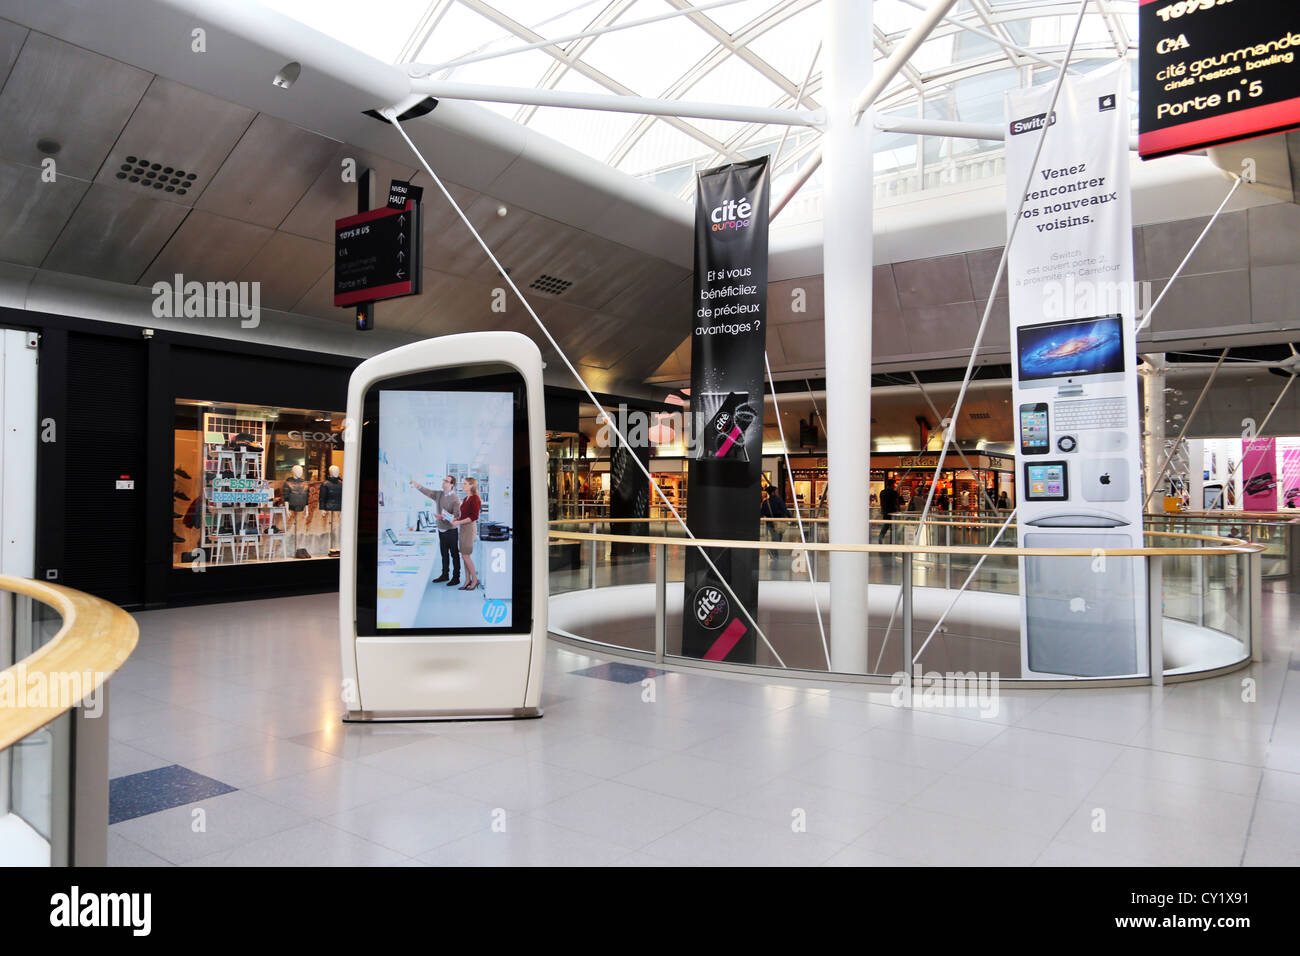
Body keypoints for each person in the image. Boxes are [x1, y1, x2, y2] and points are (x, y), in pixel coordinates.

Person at [411, 475, 461, 587]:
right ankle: (444, 575)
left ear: (452, 484)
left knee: (454, 554)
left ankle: (456, 577)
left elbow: (456, 516)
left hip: (451, 531)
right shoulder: (439, 494)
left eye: (447, 481)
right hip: (441, 530)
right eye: (444, 480)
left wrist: (443, 517)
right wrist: (417, 485)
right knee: (444, 554)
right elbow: (427, 491)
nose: (444, 482)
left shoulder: (455, 498)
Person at [450, 476, 482, 591]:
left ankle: (474, 580)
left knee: (465, 555)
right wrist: (456, 518)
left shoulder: (475, 499)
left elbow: (474, 517)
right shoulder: (466, 498)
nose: (462, 485)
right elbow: (463, 515)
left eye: (465, 484)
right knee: (464, 555)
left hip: (469, 529)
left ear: (471, 485)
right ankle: (467, 580)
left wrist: (458, 522)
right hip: (463, 528)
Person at [760, 486, 790, 565]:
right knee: (778, 537)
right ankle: (774, 552)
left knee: (775, 537)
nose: (778, 492)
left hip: (770, 522)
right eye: (776, 491)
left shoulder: (766, 502)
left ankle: (774, 552)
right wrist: (791, 518)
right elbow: (785, 510)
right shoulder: (778, 500)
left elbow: (762, 513)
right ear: (773, 492)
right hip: (779, 521)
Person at [878, 478, 900, 544]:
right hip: (893, 512)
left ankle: (880, 538)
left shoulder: (882, 492)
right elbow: (896, 503)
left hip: (885, 512)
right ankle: (893, 540)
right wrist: (899, 510)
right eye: (894, 484)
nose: (894, 486)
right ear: (892, 485)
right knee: (893, 527)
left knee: (886, 526)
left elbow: (881, 503)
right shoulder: (894, 493)